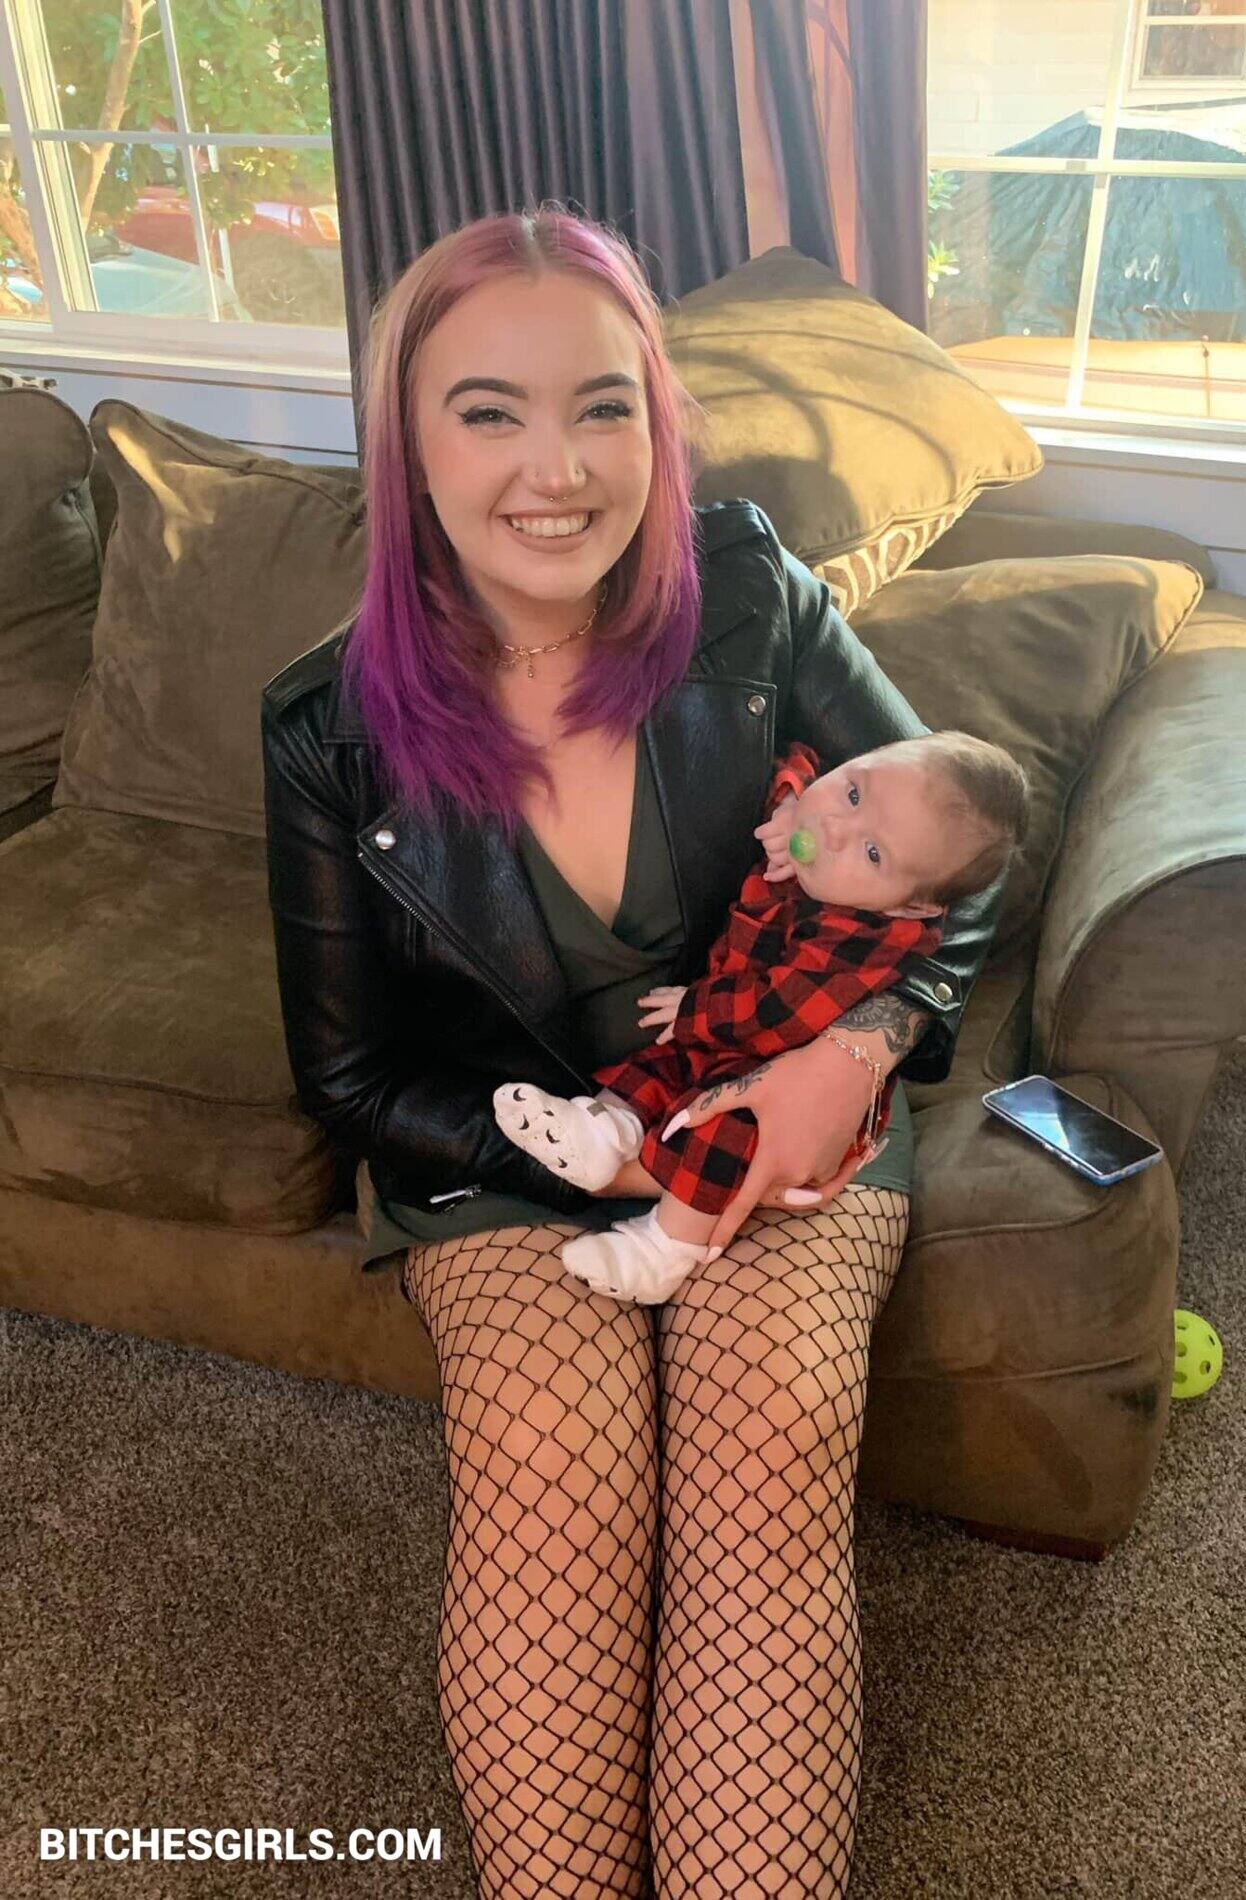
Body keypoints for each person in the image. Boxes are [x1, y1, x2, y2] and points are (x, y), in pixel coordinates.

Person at [260, 205, 1007, 1900]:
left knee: (769, 1442)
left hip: (781, 1096)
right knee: (553, 1479)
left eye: (604, 407)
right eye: (490, 412)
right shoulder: (325, 731)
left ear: (657, 422)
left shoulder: (748, 595)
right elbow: (354, 1083)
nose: (560, 469)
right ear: (408, 444)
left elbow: (959, 864)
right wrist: (596, 1156)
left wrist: (858, 1048)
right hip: (506, 1146)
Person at [493, 733, 1028, 1304]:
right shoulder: (827, 830)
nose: (833, 829)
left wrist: (696, 1011)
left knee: (723, 1129)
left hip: (776, 1064)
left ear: (911, 906)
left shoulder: (863, 939)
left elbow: (779, 1012)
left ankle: (663, 1249)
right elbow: (793, 758)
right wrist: (791, 800)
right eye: (852, 792)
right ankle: (606, 1130)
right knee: (663, 1061)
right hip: (728, 1028)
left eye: (873, 853)